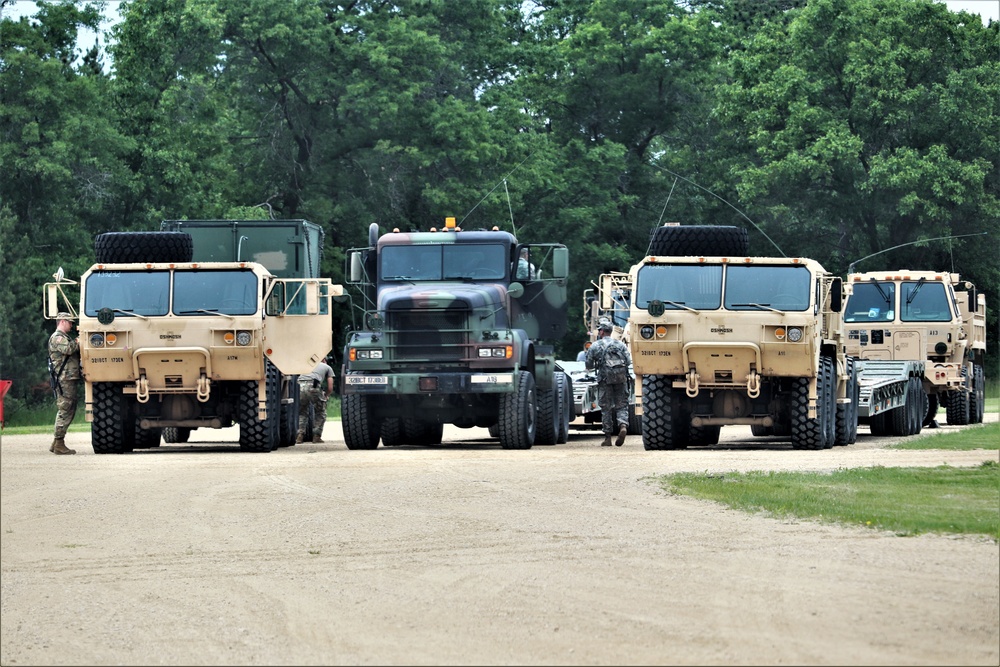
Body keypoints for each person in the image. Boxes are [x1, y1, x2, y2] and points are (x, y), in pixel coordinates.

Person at [585, 321, 632, 447]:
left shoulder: (595, 345)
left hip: (605, 380)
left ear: (601, 331)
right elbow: (628, 361)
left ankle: (607, 438)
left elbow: (588, 364)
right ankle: (622, 425)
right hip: (621, 379)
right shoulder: (620, 344)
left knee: (605, 408)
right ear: (611, 331)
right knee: (622, 405)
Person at [48, 312, 81, 455]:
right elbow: (68, 349)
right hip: (64, 379)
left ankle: (56, 443)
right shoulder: (58, 337)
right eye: (70, 322)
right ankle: (59, 443)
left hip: (67, 378)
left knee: (68, 408)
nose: (71, 325)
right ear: (62, 321)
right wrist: (78, 341)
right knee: (65, 409)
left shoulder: (63, 337)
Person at [297, 357, 335, 443]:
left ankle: (300, 435)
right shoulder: (327, 367)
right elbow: (330, 387)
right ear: (324, 360)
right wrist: (326, 395)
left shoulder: (306, 365)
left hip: (299, 386)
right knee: (320, 412)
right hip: (313, 386)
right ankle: (316, 436)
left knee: (302, 412)